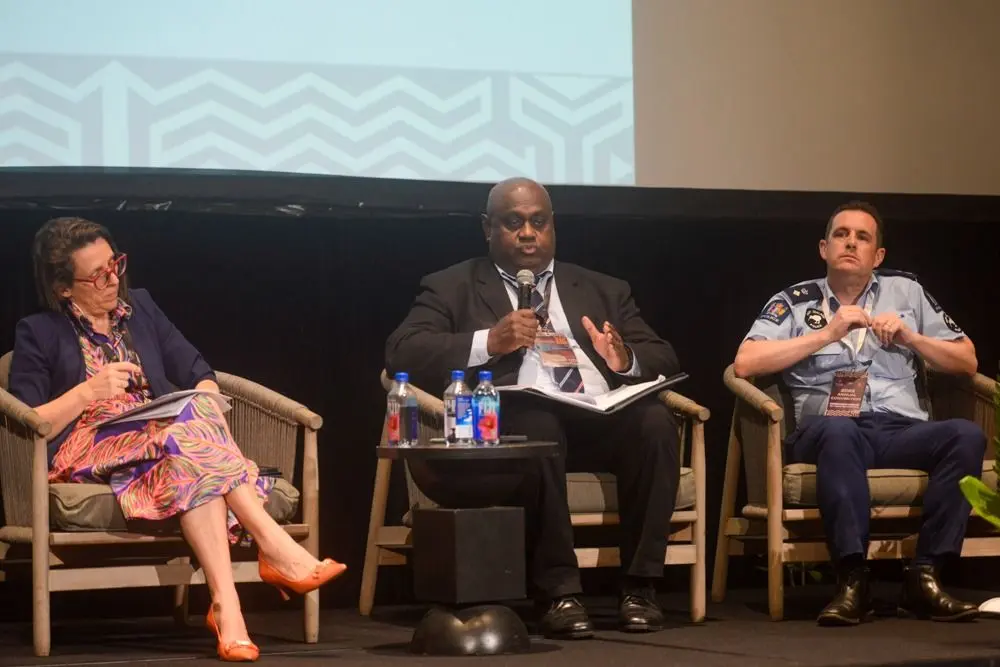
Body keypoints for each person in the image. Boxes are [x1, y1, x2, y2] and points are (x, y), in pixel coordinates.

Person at [9, 217, 347, 662]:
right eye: (99, 275)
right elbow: (28, 417)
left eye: (117, 265)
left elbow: (199, 374)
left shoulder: (142, 308)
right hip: (90, 445)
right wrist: (88, 391)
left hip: (165, 442)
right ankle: (275, 546)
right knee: (192, 427)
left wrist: (204, 409)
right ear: (64, 289)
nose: (115, 280)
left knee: (197, 423)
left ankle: (228, 612)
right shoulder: (39, 332)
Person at [385, 177, 682, 638]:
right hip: (521, 421)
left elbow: (663, 355)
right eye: (513, 222)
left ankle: (640, 586)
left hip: (596, 417)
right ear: (488, 229)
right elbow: (403, 352)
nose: (528, 233)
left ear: (553, 227)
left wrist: (625, 359)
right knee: (539, 423)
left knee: (656, 423)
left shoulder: (603, 288)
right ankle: (560, 592)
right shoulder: (452, 286)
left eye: (538, 222)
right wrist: (489, 341)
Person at [733, 201, 985, 626]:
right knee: (839, 431)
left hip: (899, 428)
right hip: (826, 430)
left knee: (965, 435)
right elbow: (746, 362)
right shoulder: (794, 302)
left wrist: (910, 337)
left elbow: (966, 361)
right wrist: (827, 334)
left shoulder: (907, 294)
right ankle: (853, 580)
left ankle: (924, 576)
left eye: (863, 237)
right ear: (823, 248)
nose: (851, 242)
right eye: (841, 234)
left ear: (878, 256)